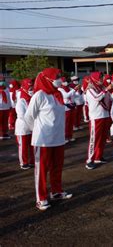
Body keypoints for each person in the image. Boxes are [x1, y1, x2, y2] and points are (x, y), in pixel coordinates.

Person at [25, 68, 72, 211]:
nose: (60, 79)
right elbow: (28, 117)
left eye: (60, 76)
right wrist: (38, 131)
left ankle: (56, 191)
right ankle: (41, 198)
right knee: (42, 170)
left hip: (58, 138)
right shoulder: (39, 95)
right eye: (57, 77)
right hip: (43, 140)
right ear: (47, 79)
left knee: (57, 167)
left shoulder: (57, 94)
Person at [85, 72, 112, 170]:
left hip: (104, 115)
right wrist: (105, 91)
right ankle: (89, 160)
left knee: (102, 138)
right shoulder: (90, 89)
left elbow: (108, 98)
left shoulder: (101, 88)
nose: (101, 79)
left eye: (101, 77)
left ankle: (98, 156)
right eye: (99, 77)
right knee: (94, 139)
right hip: (96, 117)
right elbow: (97, 98)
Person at [15, 78, 35, 169]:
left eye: (32, 88)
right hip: (22, 128)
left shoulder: (32, 99)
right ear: (25, 88)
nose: (31, 90)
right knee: (23, 146)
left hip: (31, 127)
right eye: (30, 88)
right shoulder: (21, 101)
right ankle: (24, 163)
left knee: (31, 146)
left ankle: (32, 161)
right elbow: (21, 116)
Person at [58, 77, 77, 143]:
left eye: (66, 81)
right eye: (64, 81)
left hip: (72, 106)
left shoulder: (69, 88)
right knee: (66, 123)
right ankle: (65, 137)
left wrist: (76, 90)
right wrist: (74, 90)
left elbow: (74, 95)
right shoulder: (60, 89)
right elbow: (66, 96)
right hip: (66, 108)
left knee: (71, 123)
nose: (65, 82)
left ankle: (70, 136)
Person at [0, 75, 13, 140]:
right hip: (0, 108)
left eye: (3, 80)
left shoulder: (7, 89)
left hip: (6, 108)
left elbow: (9, 98)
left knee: (5, 121)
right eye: (1, 81)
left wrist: (10, 105)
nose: (2, 82)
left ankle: (5, 133)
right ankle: (1, 134)